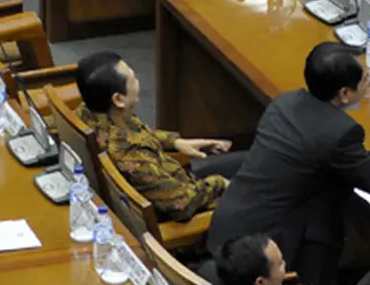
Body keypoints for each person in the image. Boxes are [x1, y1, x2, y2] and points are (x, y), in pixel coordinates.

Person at [206, 42, 370, 285]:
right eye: (365, 80)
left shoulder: (284, 102)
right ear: (345, 94)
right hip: (263, 250)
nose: (369, 82)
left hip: (230, 221)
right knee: (334, 241)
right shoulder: (339, 134)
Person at [75, 51, 244, 223]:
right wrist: (220, 183)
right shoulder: (133, 157)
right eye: (132, 79)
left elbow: (138, 134)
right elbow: (182, 205)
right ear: (118, 99)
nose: (138, 82)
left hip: (173, 178)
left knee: (247, 162)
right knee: (257, 172)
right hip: (190, 209)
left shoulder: (92, 113)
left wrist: (175, 142)